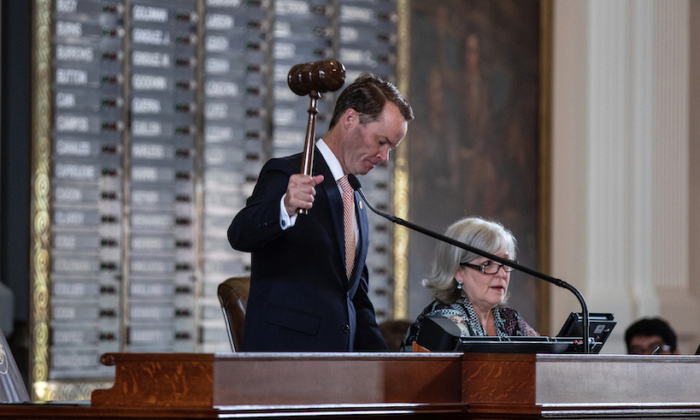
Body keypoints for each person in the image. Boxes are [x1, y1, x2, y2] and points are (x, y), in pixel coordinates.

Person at [228, 74, 414, 352]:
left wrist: (390, 367)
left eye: (391, 148)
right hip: (285, 363)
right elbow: (239, 233)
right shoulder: (288, 172)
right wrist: (285, 206)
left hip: (336, 370)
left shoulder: (355, 197)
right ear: (350, 119)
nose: (384, 157)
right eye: (381, 142)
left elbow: (356, 300)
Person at [401, 217, 537, 351]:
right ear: (458, 271)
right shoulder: (443, 321)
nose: (502, 274)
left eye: (506, 263)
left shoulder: (509, 319)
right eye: (487, 264)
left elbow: (545, 357)